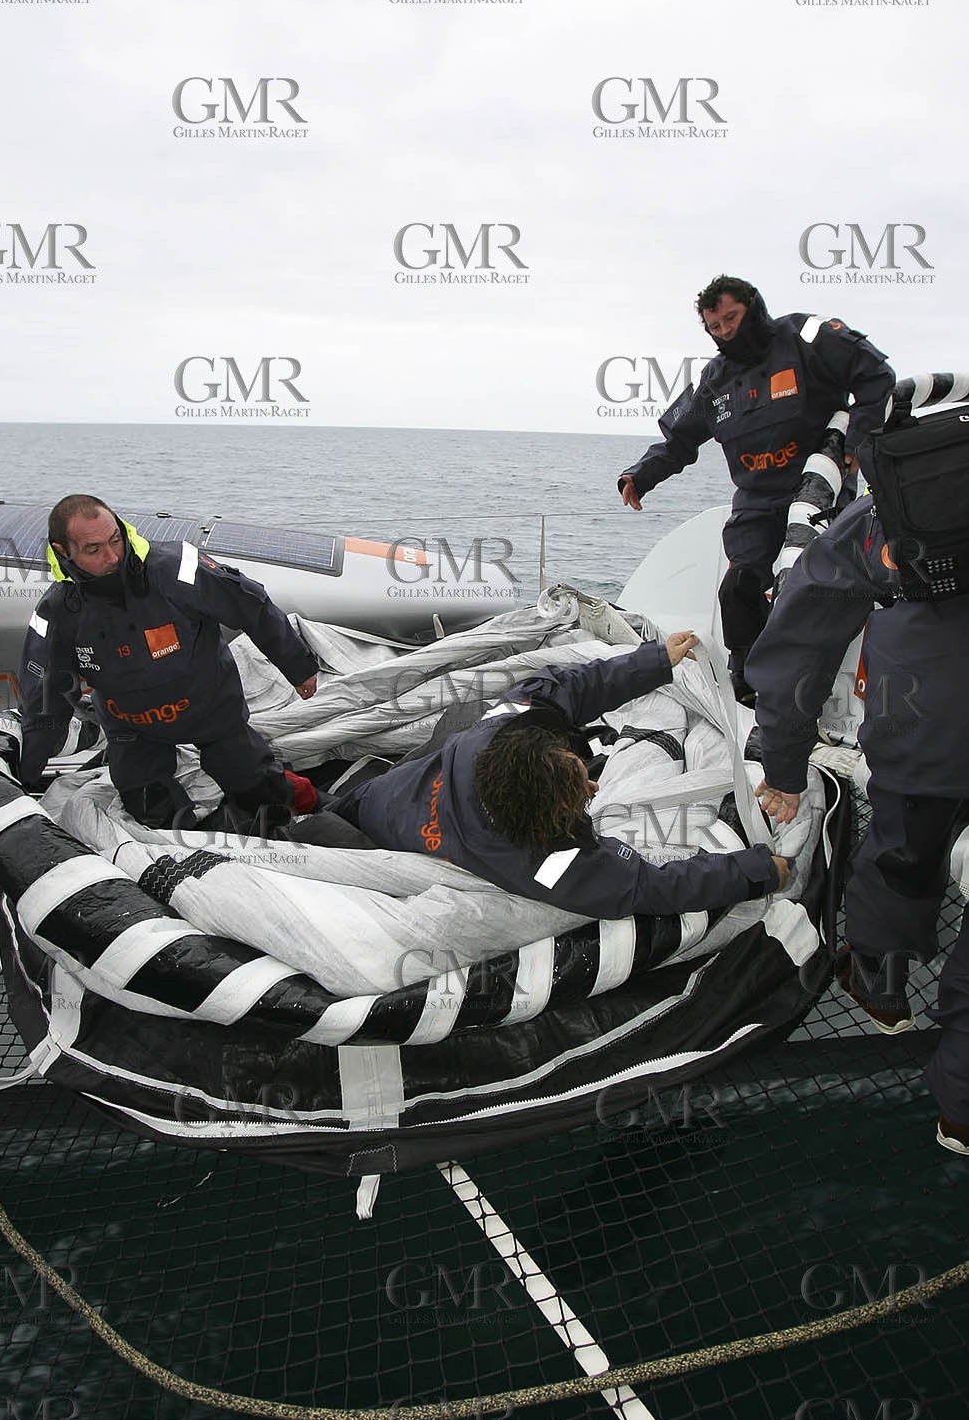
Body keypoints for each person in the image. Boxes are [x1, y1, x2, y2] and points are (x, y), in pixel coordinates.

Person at [746, 403, 969, 1155]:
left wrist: (780, 762)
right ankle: (962, 1109)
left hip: (927, 723)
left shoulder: (897, 511)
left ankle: (875, 984)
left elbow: (801, 634)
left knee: (905, 844)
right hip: (933, 722)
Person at [332, 632, 790, 920]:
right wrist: (754, 872)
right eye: (580, 792)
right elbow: (648, 886)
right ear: (542, 823)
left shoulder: (496, 731)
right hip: (370, 824)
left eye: (580, 775)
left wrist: (653, 662)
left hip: (374, 795)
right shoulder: (542, 865)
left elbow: (565, 687)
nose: (595, 785)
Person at [617, 275, 895, 703]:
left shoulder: (806, 337)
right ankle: (750, 685)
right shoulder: (714, 380)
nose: (726, 331)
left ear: (753, 307)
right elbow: (679, 439)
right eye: (715, 326)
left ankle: (812, 683)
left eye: (732, 318)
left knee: (803, 587)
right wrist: (640, 476)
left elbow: (876, 374)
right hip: (757, 500)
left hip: (819, 492)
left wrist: (860, 438)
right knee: (738, 587)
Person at [18, 495, 318, 830]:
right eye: (94, 549)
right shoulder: (58, 610)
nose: (112, 556)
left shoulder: (176, 567)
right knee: (151, 811)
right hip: (132, 725)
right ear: (63, 551)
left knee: (258, 787)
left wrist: (299, 667)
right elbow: (45, 688)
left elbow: (250, 604)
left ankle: (301, 804)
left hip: (210, 708)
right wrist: (28, 771)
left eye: (115, 540)